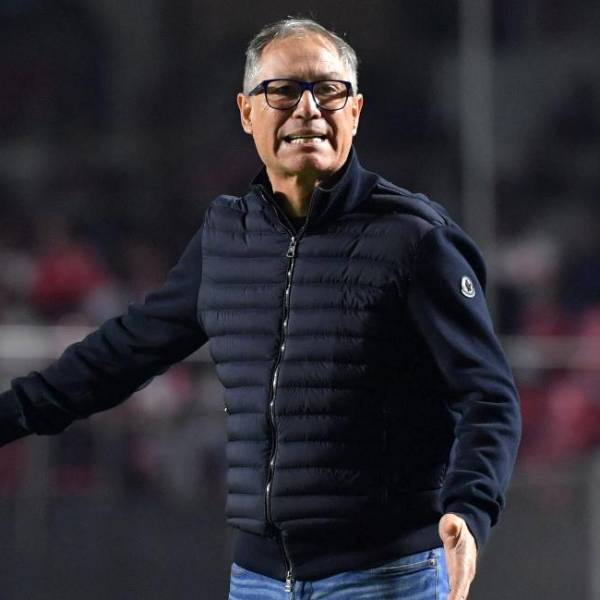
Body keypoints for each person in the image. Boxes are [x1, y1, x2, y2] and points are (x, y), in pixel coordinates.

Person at [0, 17, 521, 600]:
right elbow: (118, 355)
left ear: (355, 111)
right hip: (258, 582)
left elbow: (488, 395)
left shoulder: (416, 239)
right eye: (284, 91)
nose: (308, 109)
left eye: (329, 91)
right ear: (247, 112)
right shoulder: (226, 235)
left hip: (385, 578)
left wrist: (470, 509)